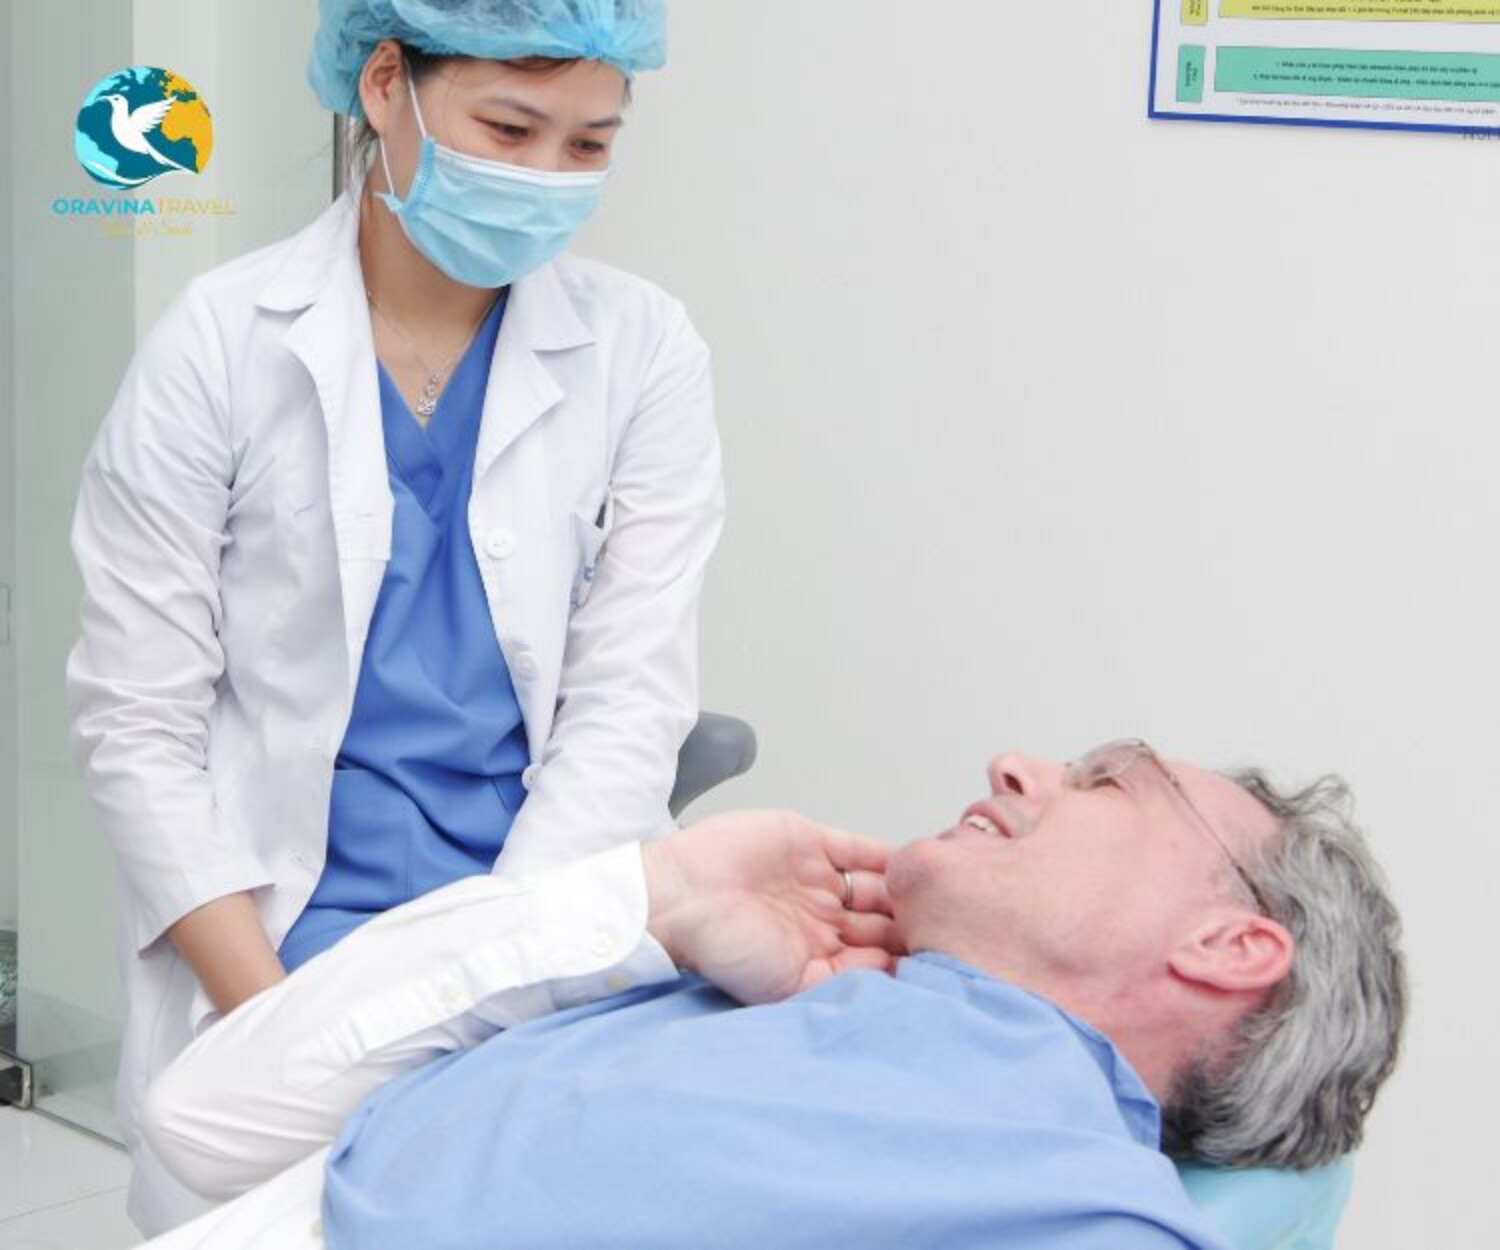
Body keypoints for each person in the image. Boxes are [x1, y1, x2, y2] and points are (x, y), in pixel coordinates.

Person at [64, 1, 721, 1232]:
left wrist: (509, 982)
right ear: (385, 85)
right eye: (508, 127)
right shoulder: (221, 341)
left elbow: (631, 703)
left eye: (588, 146)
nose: (544, 177)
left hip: (531, 932)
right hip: (269, 945)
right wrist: (277, 1033)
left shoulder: (643, 351)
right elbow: (134, 725)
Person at [136, 741, 1406, 1250]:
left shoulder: (1076, 1207)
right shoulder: (748, 987)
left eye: (1106, 783)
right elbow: (205, 1117)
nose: (1018, 762)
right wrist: (651, 895)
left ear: (1231, 944)